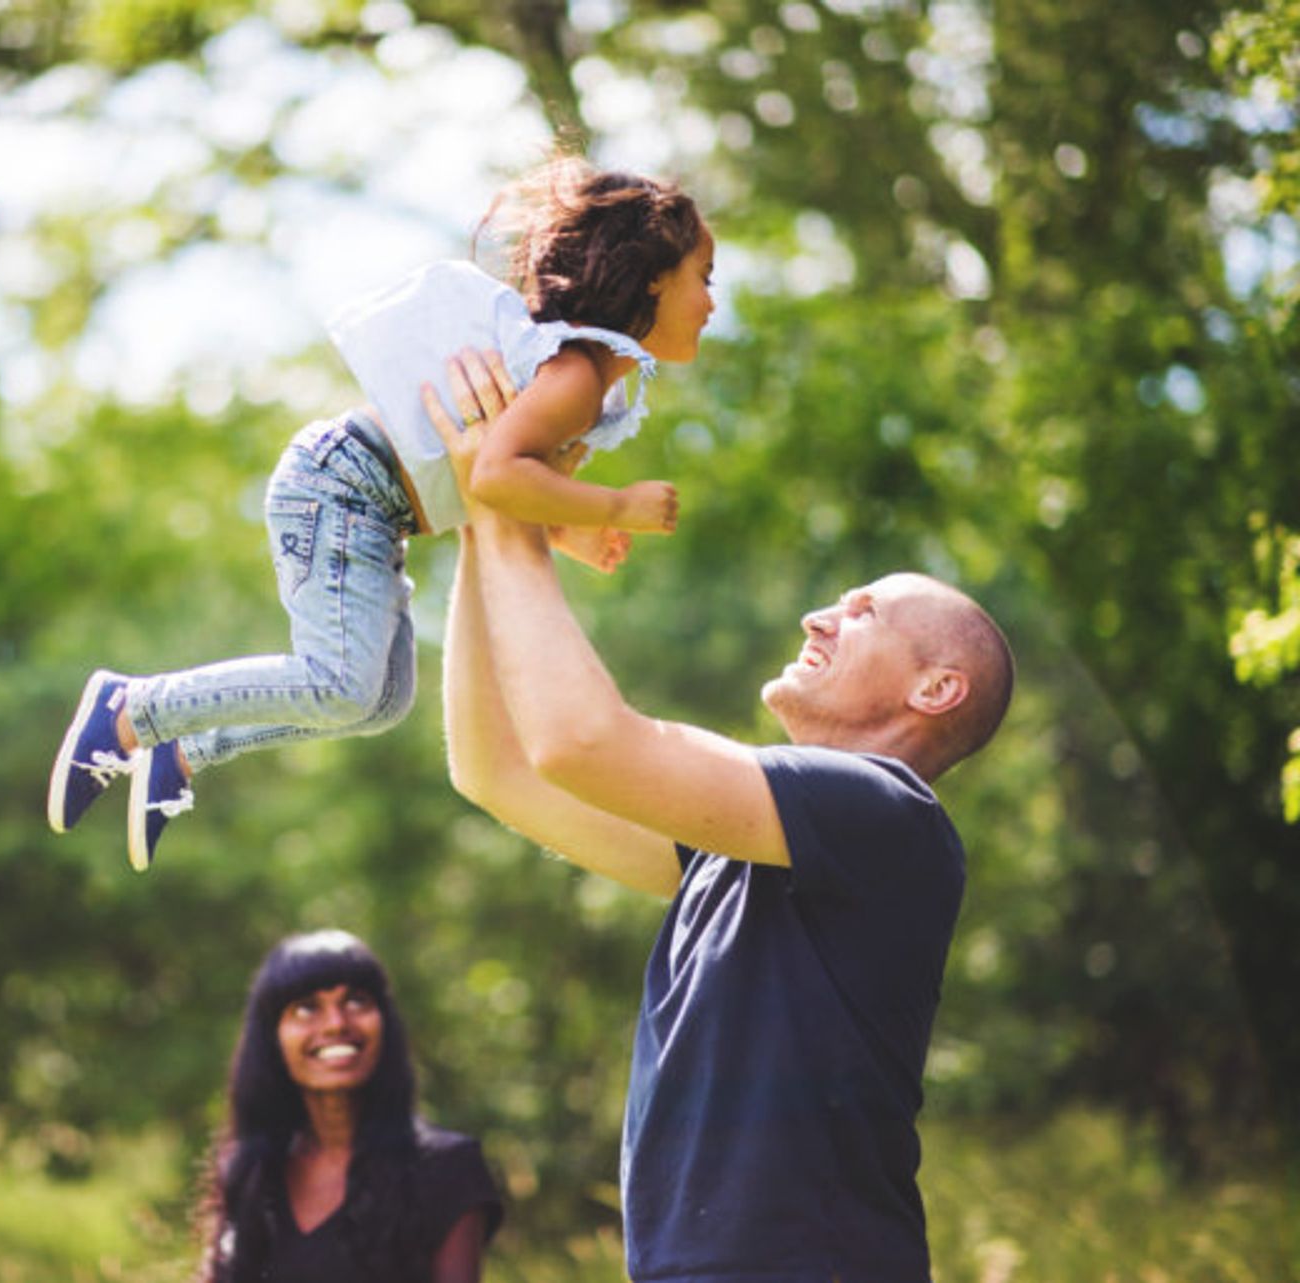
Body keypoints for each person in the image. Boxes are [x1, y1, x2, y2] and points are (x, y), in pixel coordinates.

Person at [423, 352, 1014, 1282]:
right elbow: (495, 769)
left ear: (936, 687)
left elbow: (580, 741)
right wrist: (480, 518)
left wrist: (512, 490)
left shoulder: (887, 814)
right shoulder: (737, 857)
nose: (821, 614)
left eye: (863, 612)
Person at [46, 155, 716, 870]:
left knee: (377, 701)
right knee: (341, 684)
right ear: (652, 277)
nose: (711, 302)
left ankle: (183, 749)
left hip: (374, 510)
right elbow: (494, 472)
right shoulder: (577, 374)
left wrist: (569, 527)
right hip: (344, 486)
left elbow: (499, 475)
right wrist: (616, 503)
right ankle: (131, 711)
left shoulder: (583, 379)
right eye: (703, 278)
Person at [194, 929, 504, 1283]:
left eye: (356, 1001)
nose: (337, 1023)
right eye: (307, 1008)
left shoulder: (447, 1168)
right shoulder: (249, 1169)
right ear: (272, 1039)